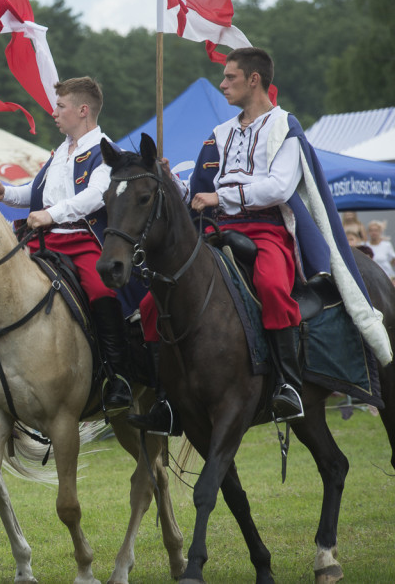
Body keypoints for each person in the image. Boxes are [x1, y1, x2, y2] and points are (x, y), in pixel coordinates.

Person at [132, 47, 387, 432]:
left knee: (270, 285)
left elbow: (279, 187)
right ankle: (167, 403)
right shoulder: (220, 133)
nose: (222, 84)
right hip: (217, 232)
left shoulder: (285, 126)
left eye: (230, 77)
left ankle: (288, 386)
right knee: (154, 303)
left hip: (267, 230)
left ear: (254, 79)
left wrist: (223, 197)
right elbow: (198, 193)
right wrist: (171, 182)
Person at [0, 77, 132, 414]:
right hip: (43, 242)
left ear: (82, 110)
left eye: (60, 106)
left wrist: (51, 214)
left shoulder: (106, 151)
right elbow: (38, 195)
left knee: (101, 290)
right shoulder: (61, 151)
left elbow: (94, 197)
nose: (54, 112)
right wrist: (7, 193)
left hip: (83, 240)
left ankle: (117, 376)